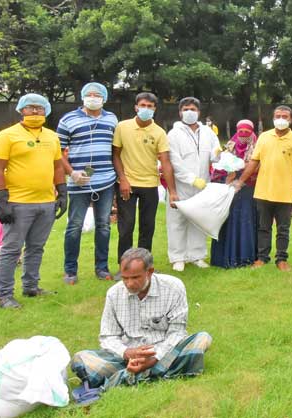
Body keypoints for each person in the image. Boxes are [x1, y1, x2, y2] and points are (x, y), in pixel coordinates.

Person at [71, 248, 212, 392]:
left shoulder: (173, 287)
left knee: (202, 339)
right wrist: (127, 353)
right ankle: (154, 373)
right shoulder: (114, 294)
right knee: (81, 359)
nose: (129, 284)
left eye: (135, 277)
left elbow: (177, 332)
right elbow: (108, 336)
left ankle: (127, 377)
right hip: (127, 358)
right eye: (125, 278)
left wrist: (155, 357)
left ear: (150, 272)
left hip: (164, 352)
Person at [0, 93, 67, 309]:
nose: (35, 111)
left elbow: (58, 166)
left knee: (36, 247)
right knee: (11, 249)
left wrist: (62, 192)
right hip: (17, 202)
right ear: (21, 110)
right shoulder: (7, 136)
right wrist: (1, 199)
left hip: (46, 201)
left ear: (46, 110)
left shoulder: (52, 136)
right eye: (30, 107)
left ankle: (31, 286)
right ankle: (4, 295)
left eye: (39, 108)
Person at [231, 105, 292, 272]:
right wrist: (241, 181)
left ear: (291, 119)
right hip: (264, 191)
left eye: (285, 116)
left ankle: (281, 259)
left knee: (283, 229)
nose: (281, 119)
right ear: (273, 118)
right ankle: (262, 258)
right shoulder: (264, 137)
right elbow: (254, 162)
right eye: (278, 115)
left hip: (285, 193)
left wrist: (285, 172)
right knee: (263, 227)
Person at [57, 82, 118, 284]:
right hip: (79, 182)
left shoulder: (111, 119)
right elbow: (58, 152)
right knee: (74, 226)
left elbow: (115, 149)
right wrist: (72, 173)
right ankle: (70, 271)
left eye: (97, 95)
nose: (93, 97)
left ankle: (101, 268)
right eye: (89, 94)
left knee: (103, 226)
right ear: (83, 97)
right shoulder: (68, 119)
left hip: (106, 180)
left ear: (104, 98)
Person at [112, 92, 178, 275]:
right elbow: (115, 154)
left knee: (147, 227)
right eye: (143, 105)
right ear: (135, 107)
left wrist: (172, 191)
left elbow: (165, 162)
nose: (146, 109)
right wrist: (123, 179)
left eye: (150, 107)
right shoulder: (122, 127)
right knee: (126, 227)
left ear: (155, 109)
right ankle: (124, 266)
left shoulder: (159, 132)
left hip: (150, 184)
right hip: (127, 184)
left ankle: (144, 267)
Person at [166, 97, 220, 272]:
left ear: (199, 112)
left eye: (193, 109)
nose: (189, 112)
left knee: (198, 220)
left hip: (203, 184)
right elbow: (174, 161)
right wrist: (191, 179)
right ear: (180, 112)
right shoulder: (174, 134)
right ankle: (177, 257)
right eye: (186, 109)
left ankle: (197, 256)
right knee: (177, 220)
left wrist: (219, 153)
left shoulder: (208, 132)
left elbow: (214, 156)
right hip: (181, 184)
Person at [210, 120, 258, 268]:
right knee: (227, 220)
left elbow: (257, 165)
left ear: (252, 131)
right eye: (240, 131)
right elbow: (220, 165)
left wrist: (241, 178)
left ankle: (245, 257)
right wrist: (229, 175)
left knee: (244, 220)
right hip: (230, 189)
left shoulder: (256, 147)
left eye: (247, 131)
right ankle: (223, 258)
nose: (243, 134)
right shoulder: (230, 145)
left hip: (248, 190)